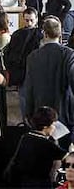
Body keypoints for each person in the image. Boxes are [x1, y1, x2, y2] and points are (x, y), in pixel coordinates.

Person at [24, 17, 74, 147]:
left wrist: (28, 114)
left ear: (44, 33)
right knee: (63, 156)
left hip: (40, 115)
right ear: (60, 33)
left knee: (42, 156)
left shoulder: (33, 57)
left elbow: (28, 89)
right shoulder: (68, 54)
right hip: (64, 114)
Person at [8, 106, 66, 187]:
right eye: (53, 124)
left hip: (24, 182)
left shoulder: (25, 137)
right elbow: (66, 156)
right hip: (41, 183)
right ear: (45, 126)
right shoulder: (46, 143)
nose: (55, 127)